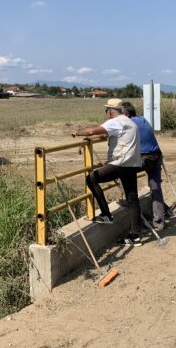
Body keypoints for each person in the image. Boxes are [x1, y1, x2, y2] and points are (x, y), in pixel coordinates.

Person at [72, 98, 144, 246]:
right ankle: (135, 235)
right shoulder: (129, 122)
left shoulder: (115, 122)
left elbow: (92, 130)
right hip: (132, 164)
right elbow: (105, 135)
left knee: (91, 179)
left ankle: (106, 214)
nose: (106, 114)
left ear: (110, 112)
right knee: (132, 198)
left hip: (120, 163)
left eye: (106, 111)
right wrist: (89, 138)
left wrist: (78, 133)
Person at [121, 101, 170, 231]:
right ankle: (159, 221)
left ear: (126, 113)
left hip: (145, 157)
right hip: (156, 156)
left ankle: (130, 200)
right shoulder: (143, 119)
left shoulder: (128, 123)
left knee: (122, 170)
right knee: (155, 188)